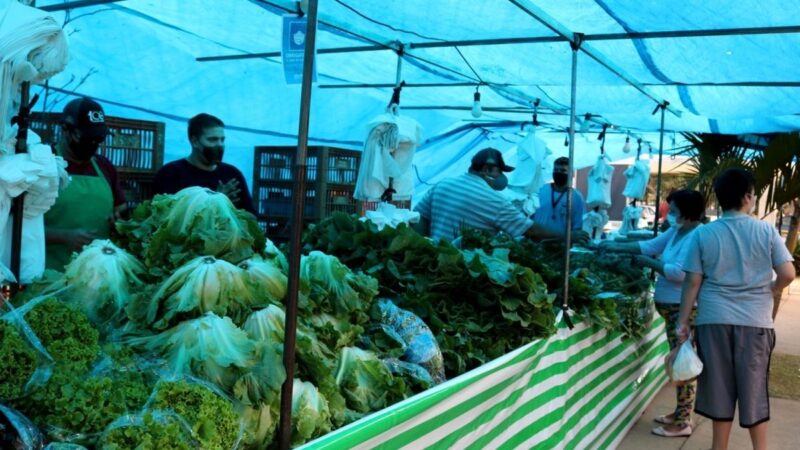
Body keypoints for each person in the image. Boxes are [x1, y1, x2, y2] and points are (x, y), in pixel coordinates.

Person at [678, 168, 795, 450]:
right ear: (747, 197)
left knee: (719, 388)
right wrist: (772, 289)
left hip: (713, 320)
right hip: (755, 323)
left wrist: (682, 322)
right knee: (754, 390)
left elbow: (692, 281)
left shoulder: (703, 234)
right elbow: (788, 273)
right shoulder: (766, 231)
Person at [600, 189, 705, 437]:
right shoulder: (678, 231)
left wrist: (649, 264)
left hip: (683, 310)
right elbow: (648, 245)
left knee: (684, 363)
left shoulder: (696, 237)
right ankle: (680, 413)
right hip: (670, 307)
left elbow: (680, 273)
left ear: (689, 214)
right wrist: (613, 245)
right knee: (678, 360)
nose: (670, 215)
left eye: (675, 211)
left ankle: (682, 422)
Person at [413, 147, 589, 245]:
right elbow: (531, 231)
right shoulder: (495, 201)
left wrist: (428, 246)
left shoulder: (443, 184)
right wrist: (568, 237)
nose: (502, 178)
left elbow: (418, 218)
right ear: (486, 170)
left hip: (435, 259)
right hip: (464, 269)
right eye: (500, 171)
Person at [44, 97, 127, 270]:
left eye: (98, 138)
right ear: (65, 130)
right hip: (49, 274)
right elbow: (18, 228)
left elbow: (121, 211)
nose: (93, 144)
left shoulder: (105, 167)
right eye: (86, 137)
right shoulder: (43, 164)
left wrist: (118, 222)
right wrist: (63, 236)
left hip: (98, 274)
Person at [153, 113, 256, 214]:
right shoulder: (170, 173)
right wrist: (217, 200)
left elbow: (251, 217)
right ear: (195, 142)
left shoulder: (232, 174)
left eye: (222, 139)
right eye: (212, 140)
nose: (219, 145)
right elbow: (164, 218)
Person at [532, 156, 585, 235]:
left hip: (561, 243)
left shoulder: (576, 197)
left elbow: (577, 226)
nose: (558, 172)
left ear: (571, 174)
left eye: (563, 170)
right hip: (537, 239)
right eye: (556, 170)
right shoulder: (540, 190)